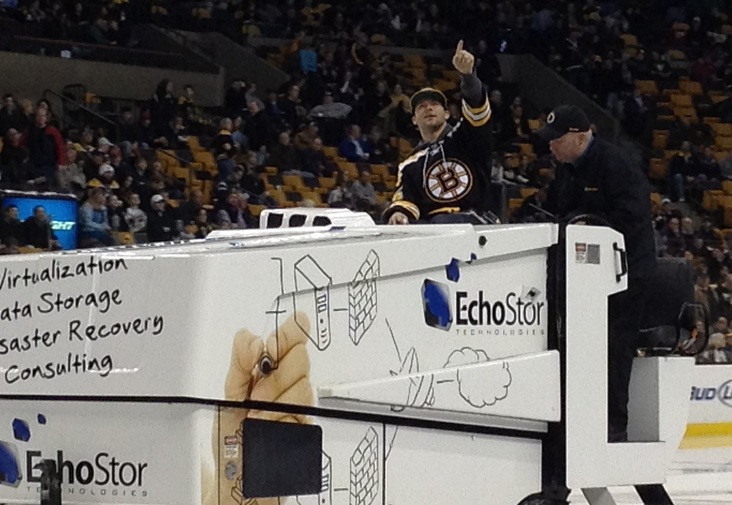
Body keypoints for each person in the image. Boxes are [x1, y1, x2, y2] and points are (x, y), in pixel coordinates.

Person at [537, 104, 657, 442]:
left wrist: (588, 226)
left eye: (556, 139)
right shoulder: (567, 168)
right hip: (584, 275)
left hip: (625, 272)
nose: (550, 145)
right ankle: (578, 416)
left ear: (579, 137)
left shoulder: (616, 165)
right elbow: (559, 212)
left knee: (615, 344)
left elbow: (631, 218)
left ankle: (614, 423)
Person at [383, 40, 494, 225]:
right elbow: (405, 198)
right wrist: (399, 214)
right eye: (421, 107)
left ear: (447, 114)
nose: (428, 108)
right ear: (414, 119)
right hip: (435, 227)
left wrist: (468, 77)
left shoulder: (465, 136)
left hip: (473, 219)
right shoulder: (410, 164)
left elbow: (476, 108)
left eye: (434, 104)